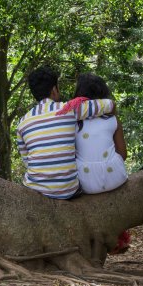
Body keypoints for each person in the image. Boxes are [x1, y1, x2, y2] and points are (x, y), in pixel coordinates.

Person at [16, 66, 114, 199]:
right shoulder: (68, 109)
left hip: (35, 190)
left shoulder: (22, 122)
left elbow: (27, 161)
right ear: (54, 90)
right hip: (68, 190)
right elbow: (108, 104)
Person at [68, 73, 128, 194]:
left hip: (87, 184)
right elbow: (123, 154)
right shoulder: (112, 119)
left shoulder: (71, 121)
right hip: (117, 177)